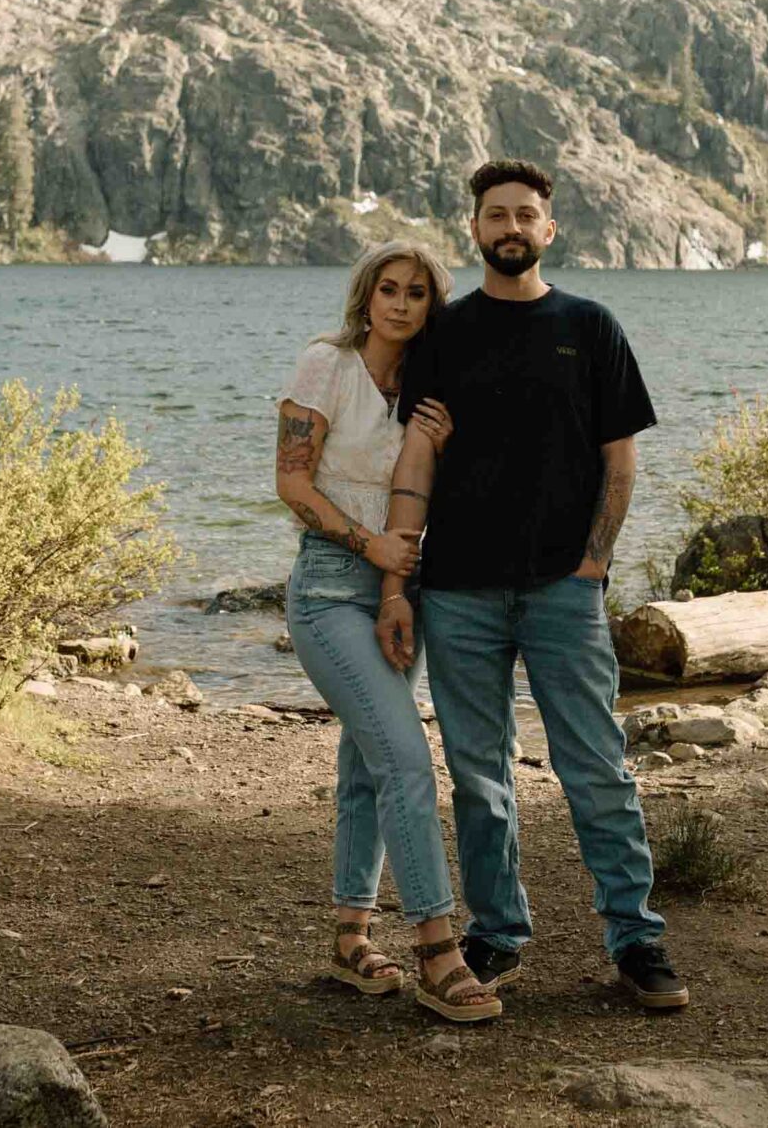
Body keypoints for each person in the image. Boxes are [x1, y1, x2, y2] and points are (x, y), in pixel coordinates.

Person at [381, 159, 690, 1012]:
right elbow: (411, 450)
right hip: (458, 591)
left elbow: (619, 459)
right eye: (495, 215)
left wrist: (594, 563)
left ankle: (635, 936)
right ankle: (496, 932)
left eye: (525, 214)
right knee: (480, 776)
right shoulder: (444, 334)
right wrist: (398, 579)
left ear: (549, 230)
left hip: (564, 589)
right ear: (474, 230)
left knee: (596, 767)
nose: (510, 226)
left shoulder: (591, 327)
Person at [273, 239, 502, 1024]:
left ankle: (349, 936)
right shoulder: (324, 364)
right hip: (329, 591)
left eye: (417, 293)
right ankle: (438, 948)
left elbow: (429, 495)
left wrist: (397, 582)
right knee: (407, 759)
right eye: (388, 289)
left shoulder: (430, 392)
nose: (401, 303)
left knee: (369, 764)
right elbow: (291, 479)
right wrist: (366, 546)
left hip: (400, 595)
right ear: (365, 296)